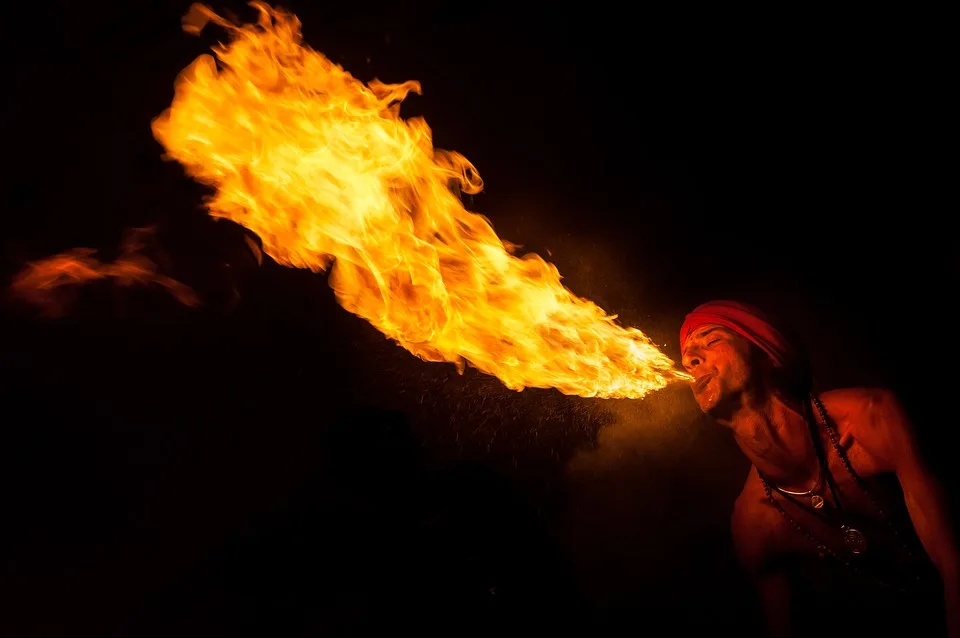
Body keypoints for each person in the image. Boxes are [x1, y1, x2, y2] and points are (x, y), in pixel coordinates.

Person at [679, 300, 958, 637]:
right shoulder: (755, 522)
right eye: (687, 355)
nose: (690, 359)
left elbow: (955, 559)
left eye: (711, 341)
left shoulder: (871, 419)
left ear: (766, 353)